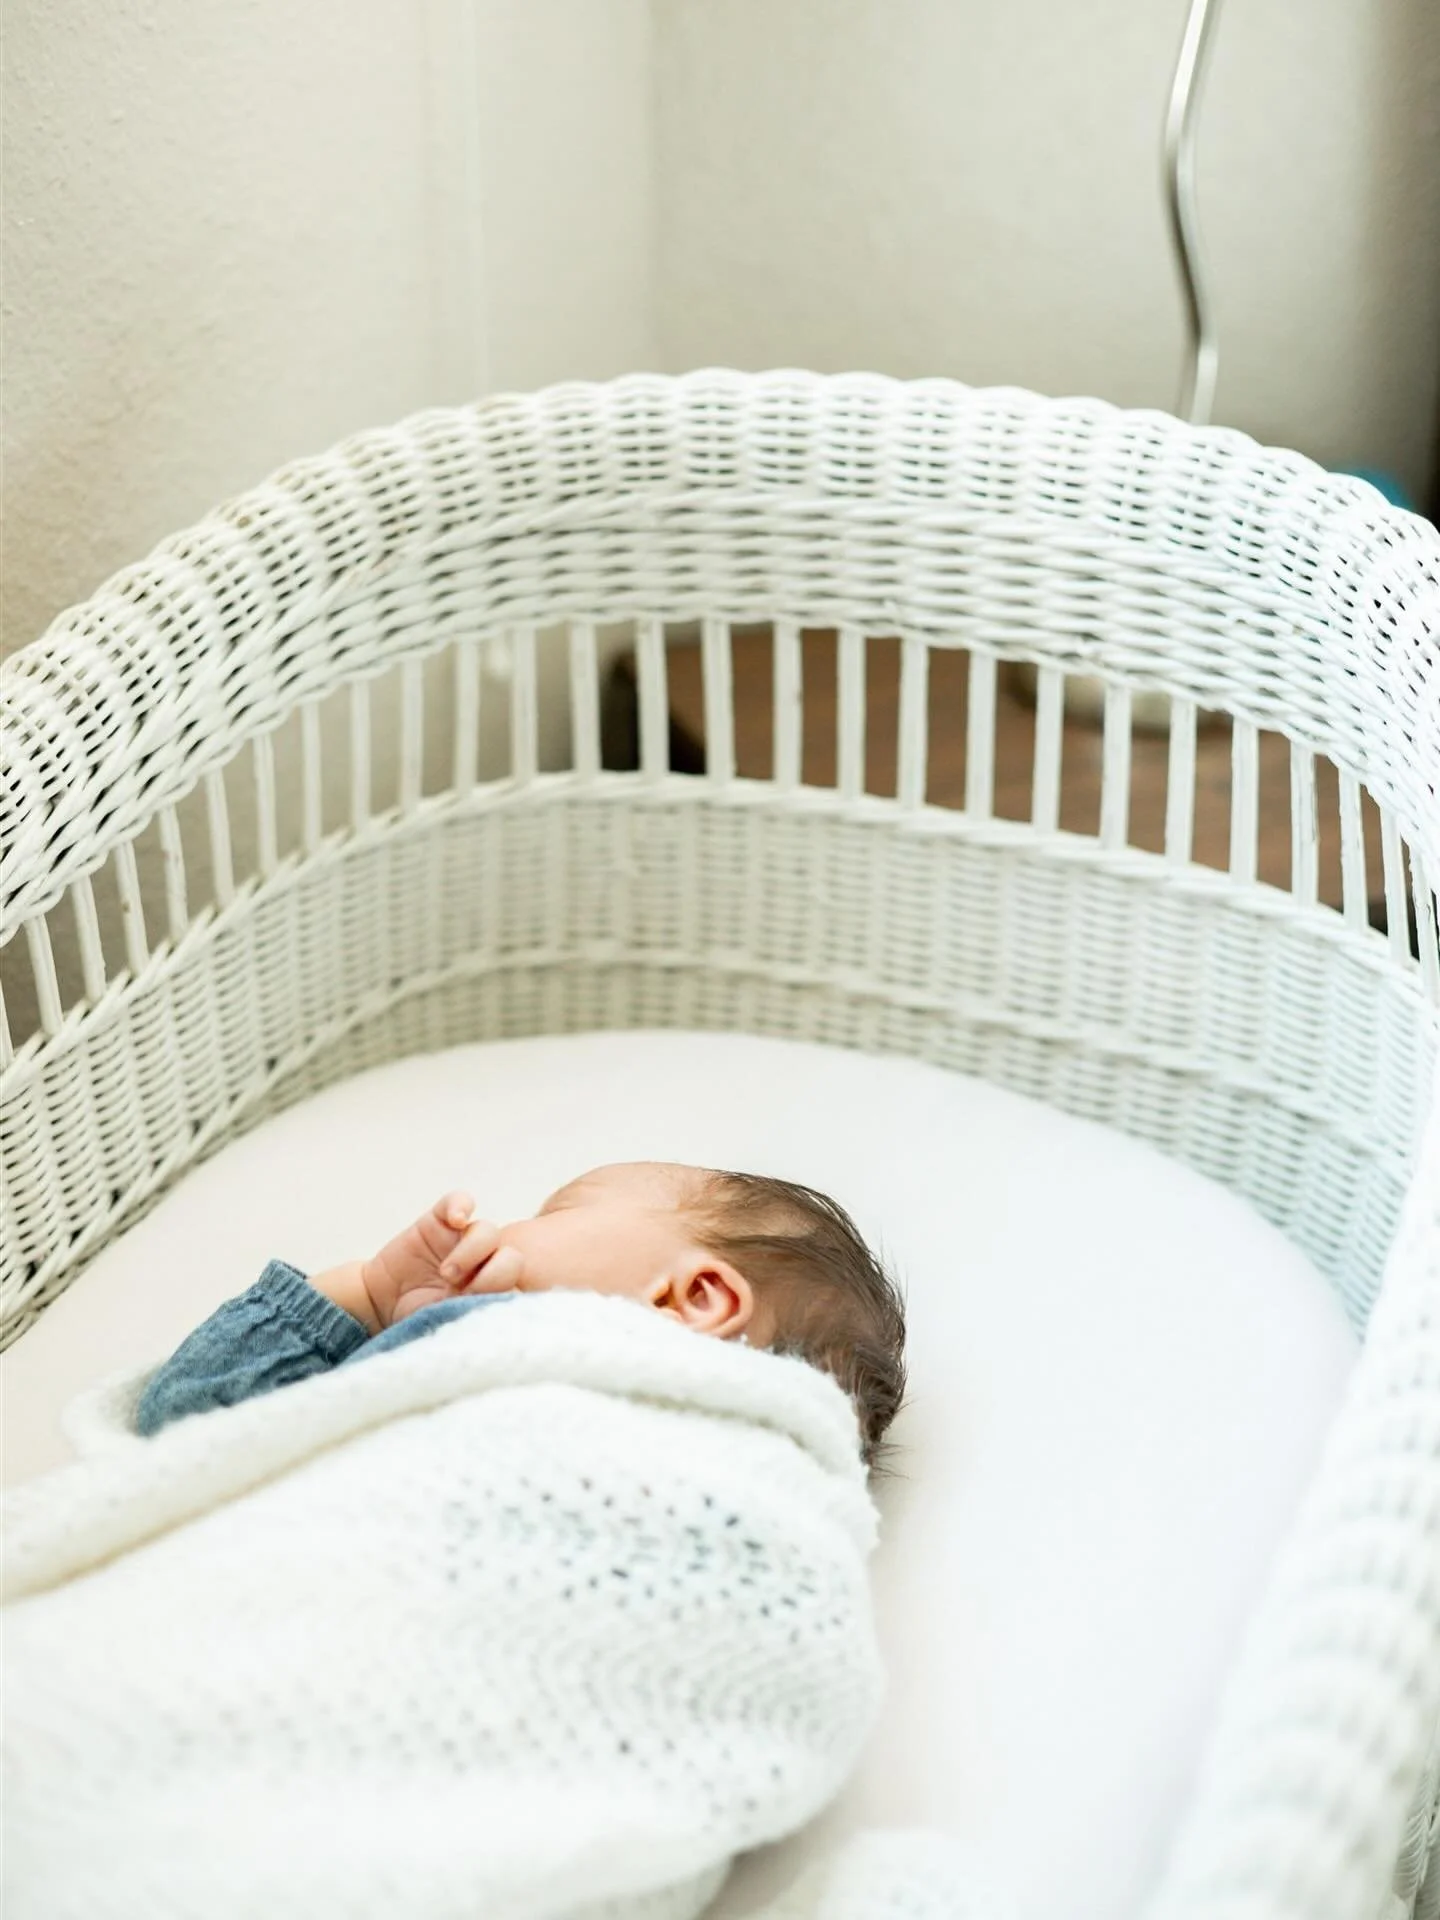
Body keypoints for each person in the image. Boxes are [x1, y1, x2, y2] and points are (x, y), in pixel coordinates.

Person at [135, 1160, 908, 1467]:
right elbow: (179, 1437)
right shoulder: (464, 1362)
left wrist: (416, 1338)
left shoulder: (708, 1462)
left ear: (692, 1300)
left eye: (554, 1212)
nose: (501, 1231)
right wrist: (367, 1300)